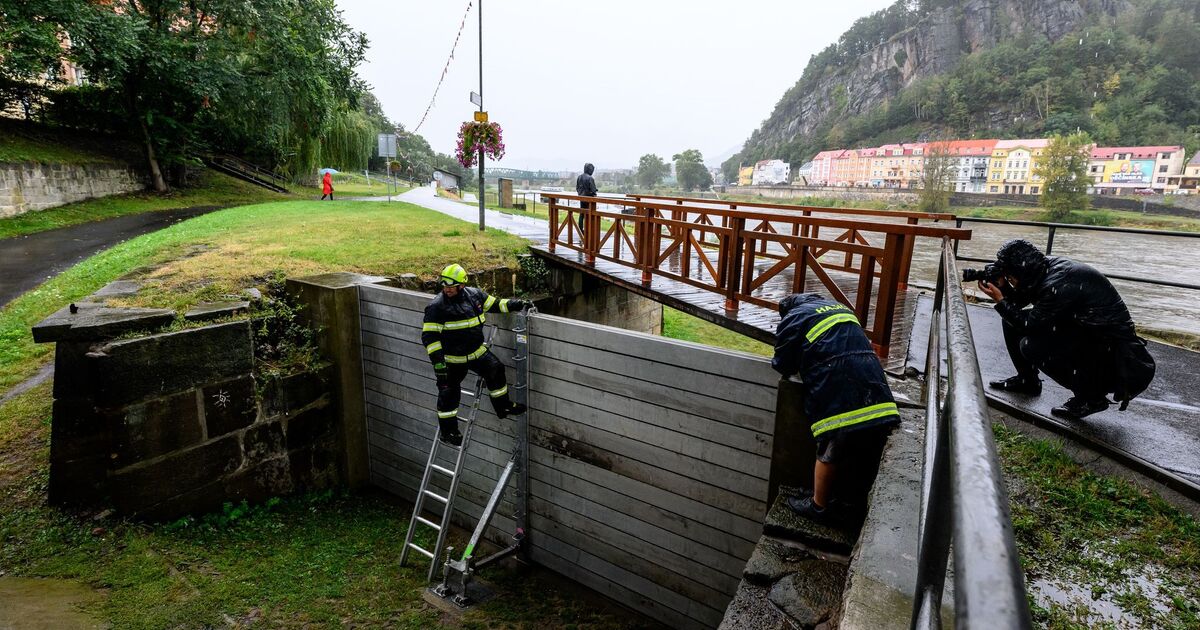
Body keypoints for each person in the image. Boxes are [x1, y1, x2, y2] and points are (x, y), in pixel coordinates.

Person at [974, 239, 1155, 419]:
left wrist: (1000, 301)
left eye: (1010, 275)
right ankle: (1027, 380)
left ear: (1020, 270)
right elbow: (1019, 304)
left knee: (1031, 346)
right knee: (1010, 321)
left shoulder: (1059, 282)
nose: (1009, 279)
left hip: (1110, 349)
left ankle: (1091, 398)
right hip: (1083, 330)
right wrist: (1004, 289)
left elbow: (1029, 325)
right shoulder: (1041, 269)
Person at [771, 293, 900, 522]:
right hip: (876, 392)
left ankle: (819, 506)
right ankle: (840, 498)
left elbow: (782, 363)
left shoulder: (794, 317)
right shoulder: (839, 308)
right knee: (854, 447)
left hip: (840, 393)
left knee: (830, 446)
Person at [421, 263, 531, 446]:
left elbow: (496, 304)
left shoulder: (475, 296)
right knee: (448, 393)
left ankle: (503, 407)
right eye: (444, 286)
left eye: (451, 287)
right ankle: (449, 432)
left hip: (475, 352)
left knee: (496, 369)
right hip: (451, 359)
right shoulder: (436, 307)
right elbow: (429, 338)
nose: (446, 290)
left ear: (462, 285)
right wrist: (439, 365)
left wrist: (516, 304)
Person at [574, 163, 598, 235]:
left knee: (582, 214)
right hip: (589, 200)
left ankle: (581, 230)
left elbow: (577, 188)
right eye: (592, 170)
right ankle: (589, 231)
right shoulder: (590, 178)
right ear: (590, 170)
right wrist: (594, 193)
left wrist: (580, 194)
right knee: (590, 215)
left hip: (581, 198)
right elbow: (593, 190)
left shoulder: (579, 177)